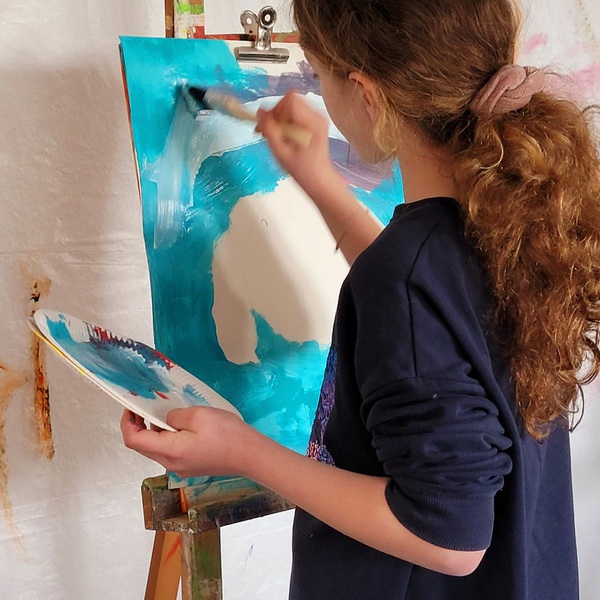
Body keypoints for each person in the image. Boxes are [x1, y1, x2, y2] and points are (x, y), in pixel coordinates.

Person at [121, 0, 600, 598]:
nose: (314, 88)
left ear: (367, 95)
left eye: (318, 74)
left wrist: (241, 450)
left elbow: (448, 538)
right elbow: (434, 316)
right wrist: (317, 178)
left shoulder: (408, 276)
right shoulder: (509, 217)